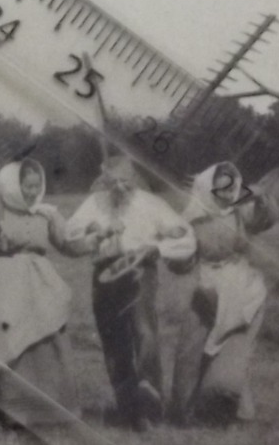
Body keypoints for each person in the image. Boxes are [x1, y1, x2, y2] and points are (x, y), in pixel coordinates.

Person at [66, 155, 195, 430]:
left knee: (144, 335)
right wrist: (95, 232)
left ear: (134, 180)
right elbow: (69, 233)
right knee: (114, 342)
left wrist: (158, 247)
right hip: (105, 275)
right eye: (114, 184)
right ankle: (128, 409)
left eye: (126, 182)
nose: (121, 189)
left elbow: (186, 236)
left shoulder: (151, 204)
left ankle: (151, 409)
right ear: (104, 182)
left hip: (140, 272)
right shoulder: (95, 202)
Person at [0, 159, 84, 428]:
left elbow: (68, 244)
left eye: (36, 186)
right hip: (8, 278)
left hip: (41, 280)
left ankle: (47, 410)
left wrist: (96, 240)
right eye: (27, 187)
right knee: (9, 342)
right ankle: (6, 409)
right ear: (13, 188)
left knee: (46, 339)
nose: (32, 192)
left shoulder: (47, 213)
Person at [167, 161, 275, 426]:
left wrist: (262, 199)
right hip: (206, 284)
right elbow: (180, 263)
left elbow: (266, 220)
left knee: (233, 348)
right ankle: (183, 411)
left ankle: (236, 412)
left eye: (232, 188)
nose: (227, 195)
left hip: (240, 283)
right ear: (208, 188)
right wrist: (176, 250)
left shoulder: (240, 213)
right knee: (191, 346)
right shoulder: (192, 218)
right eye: (221, 189)